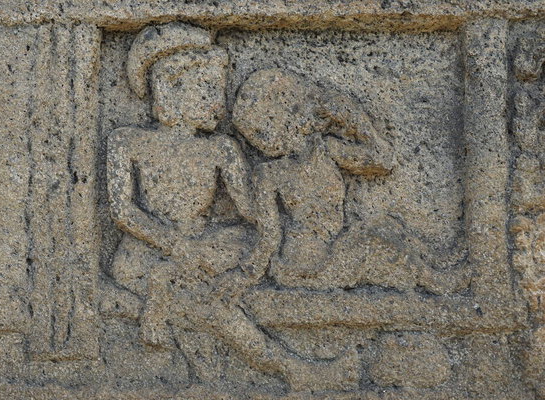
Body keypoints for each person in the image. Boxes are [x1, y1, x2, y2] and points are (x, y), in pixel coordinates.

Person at [108, 23, 352, 391]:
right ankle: (289, 368)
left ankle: (210, 378)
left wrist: (295, 181)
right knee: (204, 301)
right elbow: (123, 212)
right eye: (206, 89)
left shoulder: (222, 149)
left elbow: (251, 212)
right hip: (148, 253)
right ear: (170, 89)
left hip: (204, 247)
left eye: (218, 90)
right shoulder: (126, 141)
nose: (218, 103)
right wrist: (175, 246)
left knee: (228, 256)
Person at [233, 68, 470, 294]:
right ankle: (435, 281)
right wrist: (243, 277)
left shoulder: (326, 149)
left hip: (333, 248)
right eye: (253, 134)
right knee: (375, 240)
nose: (258, 140)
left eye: (259, 130)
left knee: (386, 225)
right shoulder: (268, 174)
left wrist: (353, 117)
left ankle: (437, 261)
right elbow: (269, 238)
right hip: (305, 264)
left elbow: (383, 161)